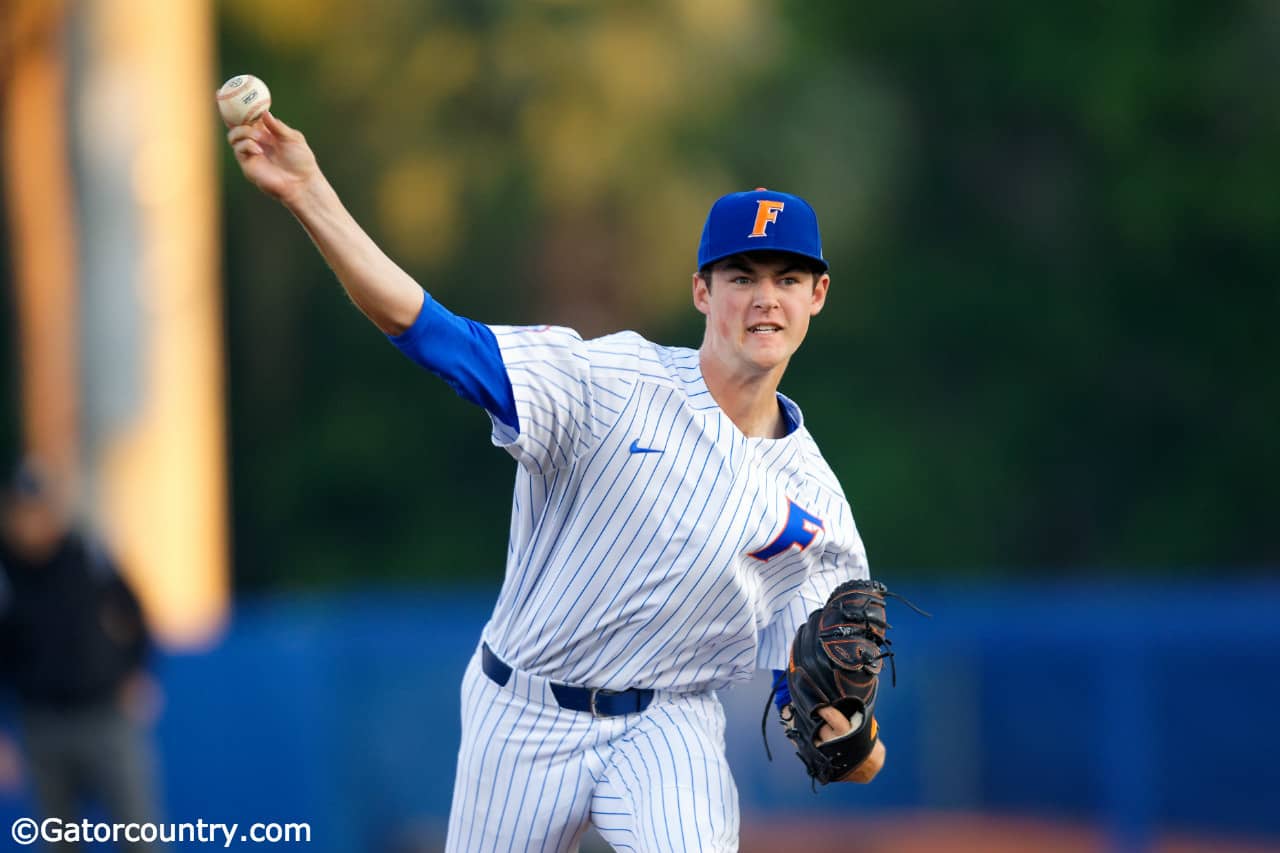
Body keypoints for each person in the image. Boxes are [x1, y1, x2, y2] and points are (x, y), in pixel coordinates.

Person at [226, 111, 883, 852]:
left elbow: (824, 715)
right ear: (703, 291)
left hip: (669, 724)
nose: (765, 298)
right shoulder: (607, 381)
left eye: (787, 278)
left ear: (817, 294)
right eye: (742, 277)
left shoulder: (819, 506)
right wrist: (309, 192)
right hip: (524, 710)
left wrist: (851, 736)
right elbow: (436, 335)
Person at [0, 459, 163, 851]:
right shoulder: (6, 573)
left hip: (104, 715)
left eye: (38, 510)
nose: (31, 522)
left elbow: (136, 613)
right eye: (21, 512)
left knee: (139, 836)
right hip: (43, 724)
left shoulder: (86, 554)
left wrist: (137, 671)